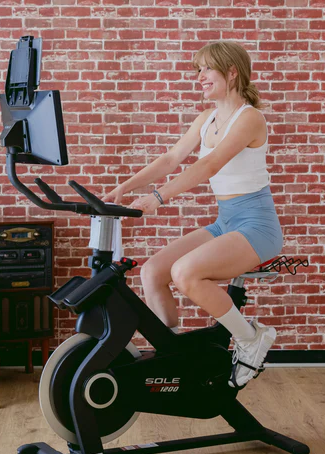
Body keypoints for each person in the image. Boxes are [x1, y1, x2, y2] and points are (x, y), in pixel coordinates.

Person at [101, 41, 283, 389]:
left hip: (257, 225)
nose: (199, 77)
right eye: (197, 70)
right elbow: (171, 159)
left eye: (206, 69)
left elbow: (209, 164)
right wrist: (124, 187)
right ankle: (171, 352)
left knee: (185, 273)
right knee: (153, 271)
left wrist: (159, 196)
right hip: (226, 220)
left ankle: (250, 337)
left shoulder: (249, 118)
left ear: (232, 72)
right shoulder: (207, 118)